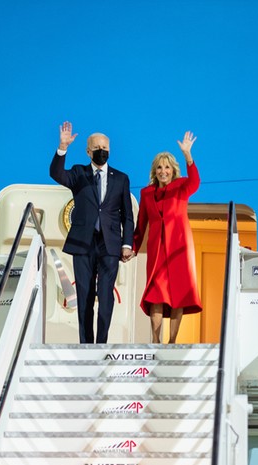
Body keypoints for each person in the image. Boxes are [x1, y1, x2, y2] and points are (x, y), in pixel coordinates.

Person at [50, 121, 134, 344]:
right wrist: (62, 148)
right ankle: (86, 345)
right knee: (85, 296)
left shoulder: (121, 178)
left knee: (106, 295)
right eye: (97, 148)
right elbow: (57, 173)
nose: (101, 151)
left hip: (110, 245)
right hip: (83, 244)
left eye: (105, 148)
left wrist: (127, 244)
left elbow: (127, 215)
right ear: (88, 151)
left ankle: (101, 344)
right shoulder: (79, 173)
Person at [133, 131, 202, 344]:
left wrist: (188, 155)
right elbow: (141, 225)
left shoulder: (182, 187)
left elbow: (196, 181)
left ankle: (172, 342)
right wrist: (133, 248)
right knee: (156, 294)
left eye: (167, 167)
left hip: (179, 248)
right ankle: (155, 340)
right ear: (155, 171)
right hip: (157, 251)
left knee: (178, 294)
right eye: (159, 167)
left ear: (173, 170)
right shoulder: (146, 193)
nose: (163, 171)